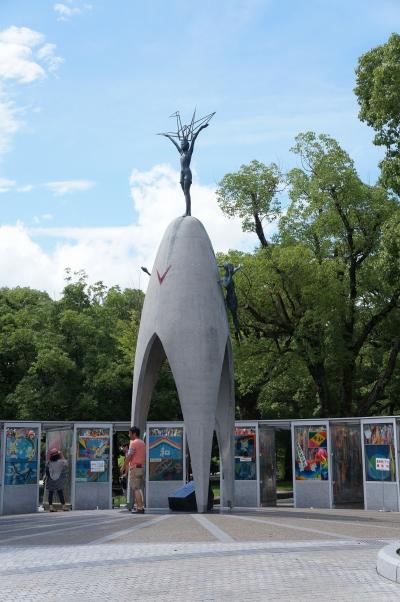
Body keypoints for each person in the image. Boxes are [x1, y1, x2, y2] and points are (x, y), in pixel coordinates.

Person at [124, 426, 145, 514]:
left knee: (136, 488)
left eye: (129, 433)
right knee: (139, 488)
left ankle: (139, 508)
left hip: (135, 467)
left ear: (134, 434)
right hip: (141, 467)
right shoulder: (142, 443)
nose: (129, 435)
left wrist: (123, 466)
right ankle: (140, 506)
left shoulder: (134, 443)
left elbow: (129, 456)